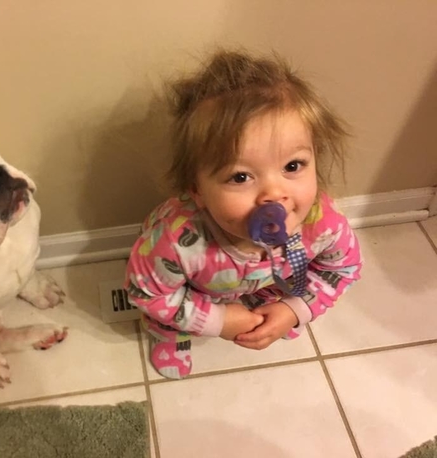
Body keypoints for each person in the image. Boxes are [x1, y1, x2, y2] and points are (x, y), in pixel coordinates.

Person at [124, 49, 362, 380]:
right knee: (166, 315)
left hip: (260, 284)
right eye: (240, 177)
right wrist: (217, 320)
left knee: (274, 300)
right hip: (193, 289)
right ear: (196, 189)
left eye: (292, 166)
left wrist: (293, 310)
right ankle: (171, 336)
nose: (273, 196)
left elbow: (342, 267)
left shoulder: (321, 223)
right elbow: (148, 292)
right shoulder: (175, 240)